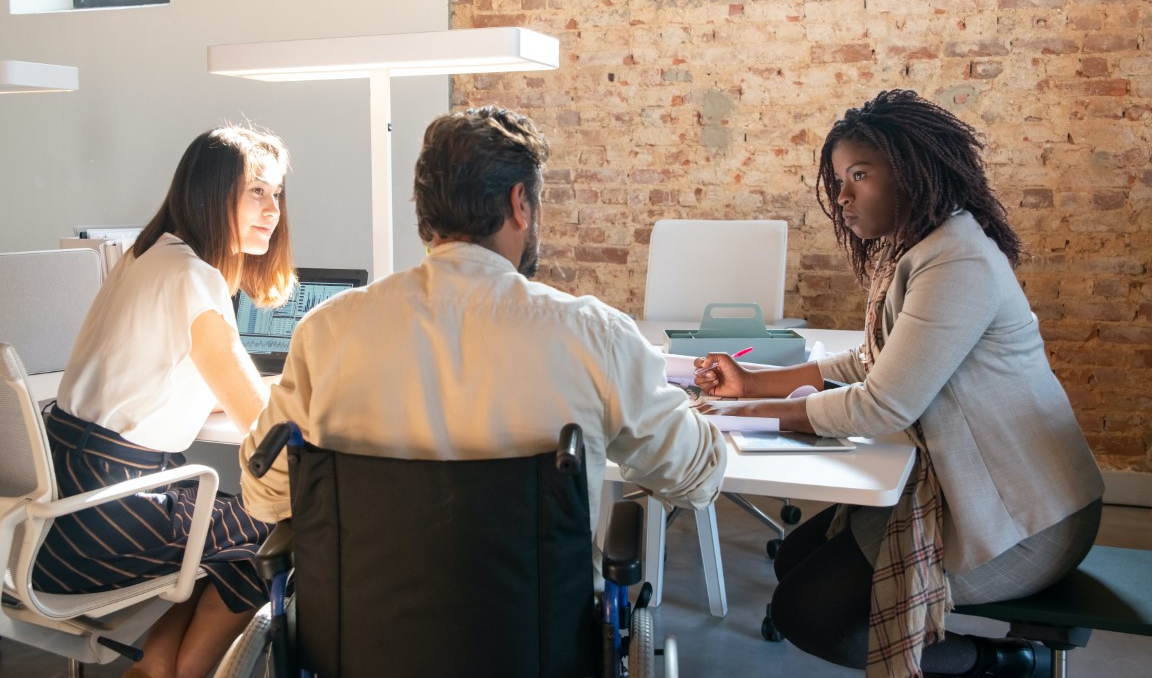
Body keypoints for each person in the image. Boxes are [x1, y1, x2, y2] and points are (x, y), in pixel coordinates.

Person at [693, 90, 1103, 678]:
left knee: (809, 614)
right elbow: (874, 361)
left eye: (860, 174)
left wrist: (749, 412)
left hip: (1028, 521)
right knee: (797, 562)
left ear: (914, 171)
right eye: (838, 178)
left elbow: (885, 403)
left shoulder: (957, 260)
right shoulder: (916, 248)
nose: (842, 196)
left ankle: (1006, 663)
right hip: (970, 493)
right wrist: (758, 382)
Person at [240, 106, 726, 576]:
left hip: (359, 644)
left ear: (425, 215)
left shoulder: (328, 332)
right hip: (536, 645)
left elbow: (264, 494)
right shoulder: (595, 336)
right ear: (520, 204)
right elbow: (696, 476)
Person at [33, 125, 298, 678]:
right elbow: (260, 421)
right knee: (265, 539)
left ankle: (155, 669)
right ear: (210, 190)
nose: (272, 208)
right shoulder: (193, 277)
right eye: (256, 190)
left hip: (57, 510)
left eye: (277, 193)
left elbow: (160, 384)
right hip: (109, 512)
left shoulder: (147, 256)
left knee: (210, 542)